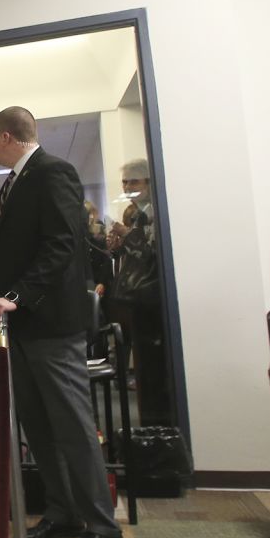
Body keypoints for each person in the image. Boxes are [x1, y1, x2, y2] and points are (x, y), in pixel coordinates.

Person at [0, 106, 123, 538]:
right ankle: (63, 512)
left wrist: (18, 296)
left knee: (72, 426)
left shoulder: (52, 172)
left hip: (51, 324)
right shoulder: (18, 180)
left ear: (4, 136)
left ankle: (103, 527)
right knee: (39, 425)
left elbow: (62, 244)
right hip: (20, 327)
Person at [106, 158, 170, 425]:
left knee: (156, 374)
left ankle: (158, 429)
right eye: (125, 182)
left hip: (154, 303)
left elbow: (155, 256)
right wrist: (118, 245)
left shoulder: (156, 212)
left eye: (134, 181)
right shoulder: (139, 213)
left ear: (148, 182)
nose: (128, 187)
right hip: (136, 303)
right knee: (145, 370)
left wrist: (128, 234)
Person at [85, 200, 114, 297]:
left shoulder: (98, 241)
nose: (90, 217)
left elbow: (106, 262)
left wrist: (102, 283)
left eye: (90, 214)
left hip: (98, 288)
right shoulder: (73, 242)